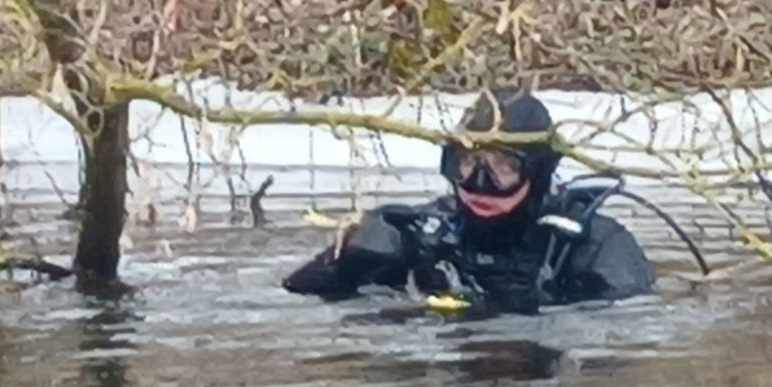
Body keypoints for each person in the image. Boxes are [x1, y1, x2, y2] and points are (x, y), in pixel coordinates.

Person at [281, 88, 656, 314]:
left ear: (538, 172)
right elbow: (292, 294)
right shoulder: (425, 233)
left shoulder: (596, 247)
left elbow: (626, 331)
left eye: (503, 167)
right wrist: (343, 263)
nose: (480, 184)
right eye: (467, 164)